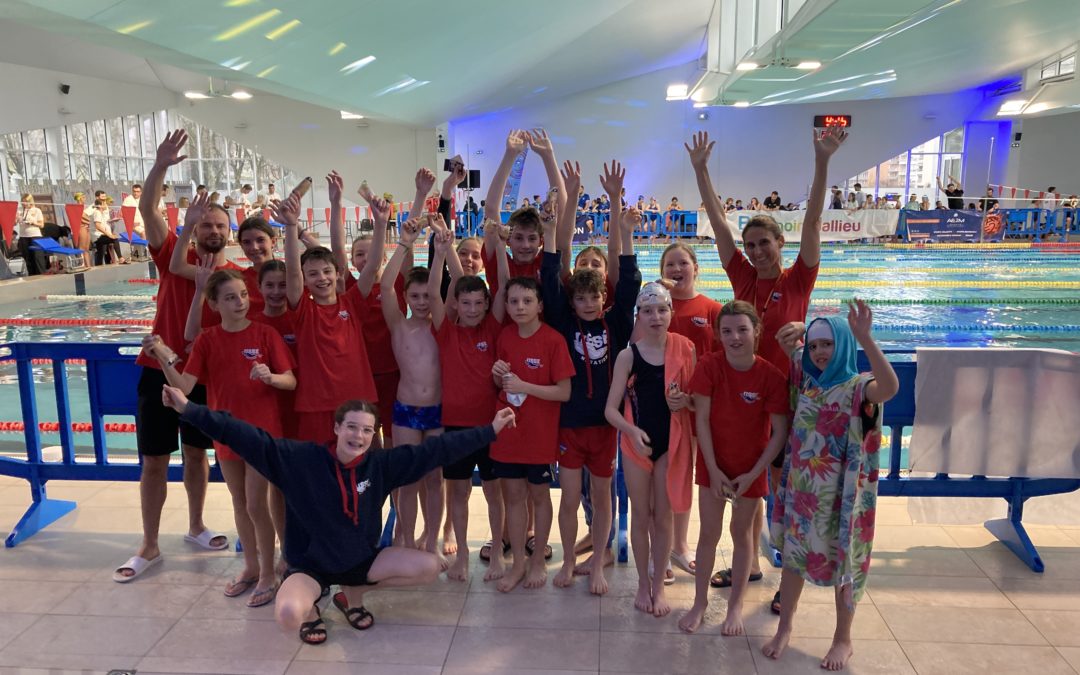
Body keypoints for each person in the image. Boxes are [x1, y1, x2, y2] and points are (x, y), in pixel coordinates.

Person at [160, 384, 516, 643]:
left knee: (428, 566)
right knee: (287, 615)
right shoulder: (301, 461)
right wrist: (189, 409)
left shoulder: (380, 466)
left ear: (372, 435)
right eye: (351, 427)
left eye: (366, 430)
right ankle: (314, 607)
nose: (358, 436)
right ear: (336, 428)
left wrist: (490, 431)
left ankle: (350, 595)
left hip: (359, 561)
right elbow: (246, 436)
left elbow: (438, 450)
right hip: (310, 566)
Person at [687, 126, 845, 610]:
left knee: (784, 492)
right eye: (750, 244)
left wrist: (821, 162)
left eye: (764, 243)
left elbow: (815, 221)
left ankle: (784, 581)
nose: (755, 251)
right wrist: (700, 170)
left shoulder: (800, 278)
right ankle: (749, 562)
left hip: (790, 396)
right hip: (745, 398)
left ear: (780, 241)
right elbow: (718, 225)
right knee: (756, 490)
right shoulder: (742, 276)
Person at [113, 129, 240, 583]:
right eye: (205, 224)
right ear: (195, 227)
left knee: (196, 455)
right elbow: (147, 209)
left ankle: (196, 526)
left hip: (204, 376)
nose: (212, 231)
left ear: (230, 233)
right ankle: (149, 542)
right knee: (153, 458)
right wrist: (161, 166)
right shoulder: (172, 251)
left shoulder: (233, 277)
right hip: (158, 370)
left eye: (220, 226)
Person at [144, 267, 295, 607]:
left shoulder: (265, 334)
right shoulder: (208, 340)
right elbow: (184, 385)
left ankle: (270, 573)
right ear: (214, 304)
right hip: (226, 433)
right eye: (230, 297)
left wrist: (270, 377)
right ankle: (252, 567)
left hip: (260, 433)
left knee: (257, 503)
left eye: (242, 295)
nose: (239, 302)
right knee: (239, 502)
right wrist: (163, 356)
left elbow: (291, 380)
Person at [763, 301, 899, 671]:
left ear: (843, 345)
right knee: (792, 561)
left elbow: (890, 387)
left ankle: (843, 639)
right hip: (802, 494)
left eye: (828, 345)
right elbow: (785, 341)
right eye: (815, 346)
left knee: (845, 566)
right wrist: (790, 332)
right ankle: (785, 627)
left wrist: (865, 339)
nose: (820, 352)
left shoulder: (859, 388)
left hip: (842, 498)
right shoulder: (807, 382)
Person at [542, 162, 640, 595]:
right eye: (578, 297)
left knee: (604, 498)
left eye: (592, 297)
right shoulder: (563, 321)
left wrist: (623, 220)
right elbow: (550, 277)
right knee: (566, 499)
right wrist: (551, 229)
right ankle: (566, 562)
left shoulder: (616, 322)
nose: (585, 303)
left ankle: (598, 564)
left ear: (604, 298)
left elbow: (630, 279)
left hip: (604, 427)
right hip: (569, 423)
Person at [678, 301, 790, 635]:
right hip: (714, 461)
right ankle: (700, 603)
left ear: (756, 332)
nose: (735, 337)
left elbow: (780, 432)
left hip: (751, 468)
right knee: (708, 535)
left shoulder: (771, 375)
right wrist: (712, 470)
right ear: (718, 334)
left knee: (742, 536)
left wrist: (754, 474)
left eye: (742, 329)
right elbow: (702, 421)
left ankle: (735, 606)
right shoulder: (711, 366)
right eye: (726, 331)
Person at [604, 282, 696, 617]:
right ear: (638, 316)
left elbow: (698, 400)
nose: (656, 316)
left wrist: (684, 401)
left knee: (664, 517)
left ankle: (659, 586)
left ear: (671, 312)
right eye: (648, 311)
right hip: (636, 444)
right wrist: (631, 431)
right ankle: (643, 583)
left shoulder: (686, 349)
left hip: (671, 444)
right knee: (642, 516)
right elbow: (610, 410)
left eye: (662, 309)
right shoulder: (629, 356)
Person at [429, 218, 508, 582]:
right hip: (456, 427)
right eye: (466, 302)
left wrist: (500, 246)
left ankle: (496, 555)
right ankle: (461, 554)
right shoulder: (446, 331)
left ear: (486, 304)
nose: (473, 308)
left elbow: (504, 286)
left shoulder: (491, 327)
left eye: (479, 302)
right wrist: (441, 252)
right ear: (455, 305)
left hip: (490, 426)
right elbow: (434, 293)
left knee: (495, 493)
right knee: (457, 493)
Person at [271, 190, 378, 446]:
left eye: (327, 271)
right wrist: (291, 225)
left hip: (357, 402)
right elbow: (293, 275)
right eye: (313, 274)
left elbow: (373, 267)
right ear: (305, 281)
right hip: (316, 405)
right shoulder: (303, 311)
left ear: (337, 272)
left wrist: (382, 223)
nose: (322, 278)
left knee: (362, 473)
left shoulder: (351, 302)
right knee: (319, 473)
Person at [489, 276, 574, 592]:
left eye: (527, 301)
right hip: (509, 434)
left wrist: (526, 387)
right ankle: (519, 565)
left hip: (539, 436)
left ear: (540, 305)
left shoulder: (553, 341)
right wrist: (499, 377)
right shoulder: (506, 336)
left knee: (539, 496)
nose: (520, 307)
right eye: (513, 301)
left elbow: (564, 392)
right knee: (512, 496)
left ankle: (538, 559)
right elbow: (504, 385)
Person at [380, 213, 446, 559]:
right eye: (415, 296)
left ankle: (431, 539)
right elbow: (384, 286)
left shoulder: (441, 327)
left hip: (437, 412)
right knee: (407, 481)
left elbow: (438, 293)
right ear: (406, 297)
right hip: (405, 412)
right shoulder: (399, 326)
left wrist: (441, 247)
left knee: (435, 479)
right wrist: (405, 243)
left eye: (426, 296)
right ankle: (405, 540)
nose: (422, 302)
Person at [481, 129, 564, 299]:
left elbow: (561, 209)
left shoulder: (545, 261)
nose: (525, 245)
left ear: (541, 241)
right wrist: (510, 155)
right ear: (508, 240)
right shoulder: (497, 260)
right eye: (519, 237)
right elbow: (490, 209)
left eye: (532, 238)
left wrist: (548, 157)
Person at [17, 193, 45, 276]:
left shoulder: (37, 210)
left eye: (26, 201)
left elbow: (42, 224)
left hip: (35, 236)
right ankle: (31, 276)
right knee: (28, 258)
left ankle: (41, 275)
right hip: (23, 237)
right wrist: (16, 219)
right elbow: (15, 223)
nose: (24, 203)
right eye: (22, 201)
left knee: (37, 257)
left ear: (30, 201)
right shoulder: (20, 211)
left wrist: (33, 222)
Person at [73, 192, 93, 268]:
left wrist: (87, 220)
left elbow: (86, 218)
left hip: (86, 227)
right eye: (84, 197)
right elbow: (82, 218)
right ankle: (82, 264)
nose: (85, 199)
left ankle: (88, 265)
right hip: (81, 228)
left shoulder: (84, 208)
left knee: (86, 249)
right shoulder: (76, 207)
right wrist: (87, 219)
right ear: (80, 198)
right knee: (81, 248)